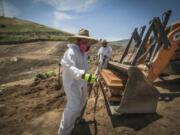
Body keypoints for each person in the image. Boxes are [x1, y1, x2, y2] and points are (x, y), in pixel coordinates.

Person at [58, 29, 97, 135]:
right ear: (78, 40)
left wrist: (88, 78)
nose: (86, 44)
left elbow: (83, 67)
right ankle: (64, 132)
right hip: (72, 84)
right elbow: (68, 66)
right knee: (73, 107)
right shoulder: (71, 52)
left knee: (82, 101)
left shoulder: (83, 53)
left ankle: (76, 119)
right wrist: (84, 75)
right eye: (84, 41)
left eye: (87, 41)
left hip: (81, 82)